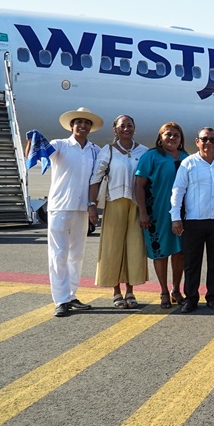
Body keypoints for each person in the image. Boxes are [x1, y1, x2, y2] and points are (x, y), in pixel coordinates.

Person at [28, 107, 102, 317]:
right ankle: (60, 299)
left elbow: (95, 180)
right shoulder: (59, 145)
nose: (83, 125)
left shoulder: (94, 150)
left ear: (91, 127)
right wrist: (32, 141)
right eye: (79, 122)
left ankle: (71, 294)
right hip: (60, 206)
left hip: (82, 208)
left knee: (76, 255)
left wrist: (93, 205)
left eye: (87, 123)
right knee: (58, 253)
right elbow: (37, 153)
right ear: (72, 125)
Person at [88, 115, 147, 309]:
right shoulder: (109, 151)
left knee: (134, 246)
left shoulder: (143, 151)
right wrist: (92, 206)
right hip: (115, 201)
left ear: (134, 128)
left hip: (136, 204)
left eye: (130, 125)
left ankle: (130, 290)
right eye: (122, 126)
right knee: (113, 246)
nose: (126, 129)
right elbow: (95, 179)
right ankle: (116, 291)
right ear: (115, 130)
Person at [170, 128, 214, 313]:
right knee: (192, 263)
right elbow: (178, 191)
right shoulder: (188, 163)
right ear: (197, 141)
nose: (208, 143)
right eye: (204, 139)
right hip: (193, 220)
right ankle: (191, 298)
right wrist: (175, 217)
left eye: (212, 139)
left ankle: (213, 297)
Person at [135, 122, 187, 309]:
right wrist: (142, 212)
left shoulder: (186, 157)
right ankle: (164, 291)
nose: (172, 138)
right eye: (168, 134)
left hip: (181, 213)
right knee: (161, 252)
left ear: (181, 139)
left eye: (176, 135)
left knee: (179, 252)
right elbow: (139, 186)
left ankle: (176, 290)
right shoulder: (150, 157)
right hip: (156, 212)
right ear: (160, 137)